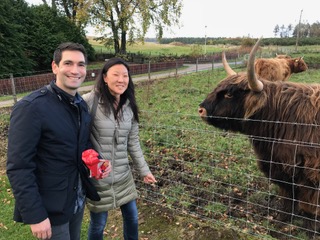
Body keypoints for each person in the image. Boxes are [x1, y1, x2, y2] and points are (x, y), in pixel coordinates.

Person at [6, 42, 110, 240]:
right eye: (68, 63)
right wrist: (35, 215)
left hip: (75, 200)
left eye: (81, 64)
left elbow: (81, 146)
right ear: (55, 67)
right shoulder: (31, 108)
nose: (75, 70)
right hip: (50, 208)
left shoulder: (80, 105)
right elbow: (19, 167)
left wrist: (96, 162)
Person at [82, 57, 157, 240]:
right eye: (116, 74)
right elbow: (77, 138)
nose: (121, 79)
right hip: (99, 178)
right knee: (99, 224)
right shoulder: (88, 102)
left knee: (132, 217)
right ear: (105, 77)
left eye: (125, 75)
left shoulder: (129, 106)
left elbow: (133, 142)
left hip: (124, 175)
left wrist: (144, 171)